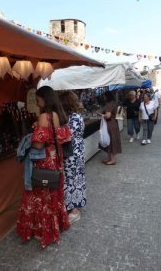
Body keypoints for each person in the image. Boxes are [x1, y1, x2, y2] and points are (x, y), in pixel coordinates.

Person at [16, 86, 71, 248]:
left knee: (39, 195)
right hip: (56, 161)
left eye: (38, 99)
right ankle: (55, 226)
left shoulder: (44, 116)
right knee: (53, 194)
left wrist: (29, 139)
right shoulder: (59, 115)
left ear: (45, 99)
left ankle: (41, 231)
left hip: (44, 160)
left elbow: (39, 144)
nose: (36, 102)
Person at [59, 91, 87, 224]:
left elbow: (67, 135)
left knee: (73, 179)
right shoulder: (75, 116)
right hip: (77, 151)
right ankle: (71, 206)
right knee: (74, 178)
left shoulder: (73, 118)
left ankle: (75, 211)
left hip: (72, 152)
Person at [101, 91, 122, 165]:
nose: (103, 98)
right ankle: (110, 158)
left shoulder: (109, 105)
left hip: (110, 124)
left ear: (107, 97)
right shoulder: (114, 103)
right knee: (111, 140)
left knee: (110, 141)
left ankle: (113, 159)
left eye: (104, 96)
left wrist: (101, 115)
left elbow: (108, 116)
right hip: (114, 123)